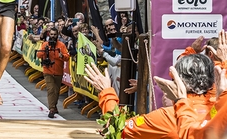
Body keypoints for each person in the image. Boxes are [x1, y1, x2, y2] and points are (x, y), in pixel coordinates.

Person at [83, 52, 216, 139]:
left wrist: (106, 91)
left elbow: (118, 129)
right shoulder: (219, 106)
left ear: (178, 82)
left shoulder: (167, 117)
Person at [36, 28, 70, 118]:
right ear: (49, 35)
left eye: (55, 34)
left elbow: (67, 56)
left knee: (56, 91)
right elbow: (38, 54)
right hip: (48, 71)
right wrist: (45, 52)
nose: (53, 36)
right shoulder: (45, 44)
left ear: (57, 35)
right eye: (51, 34)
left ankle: (54, 106)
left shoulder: (61, 45)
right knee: (51, 89)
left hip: (58, 71)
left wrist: (62, 56)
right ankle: (51, 109)